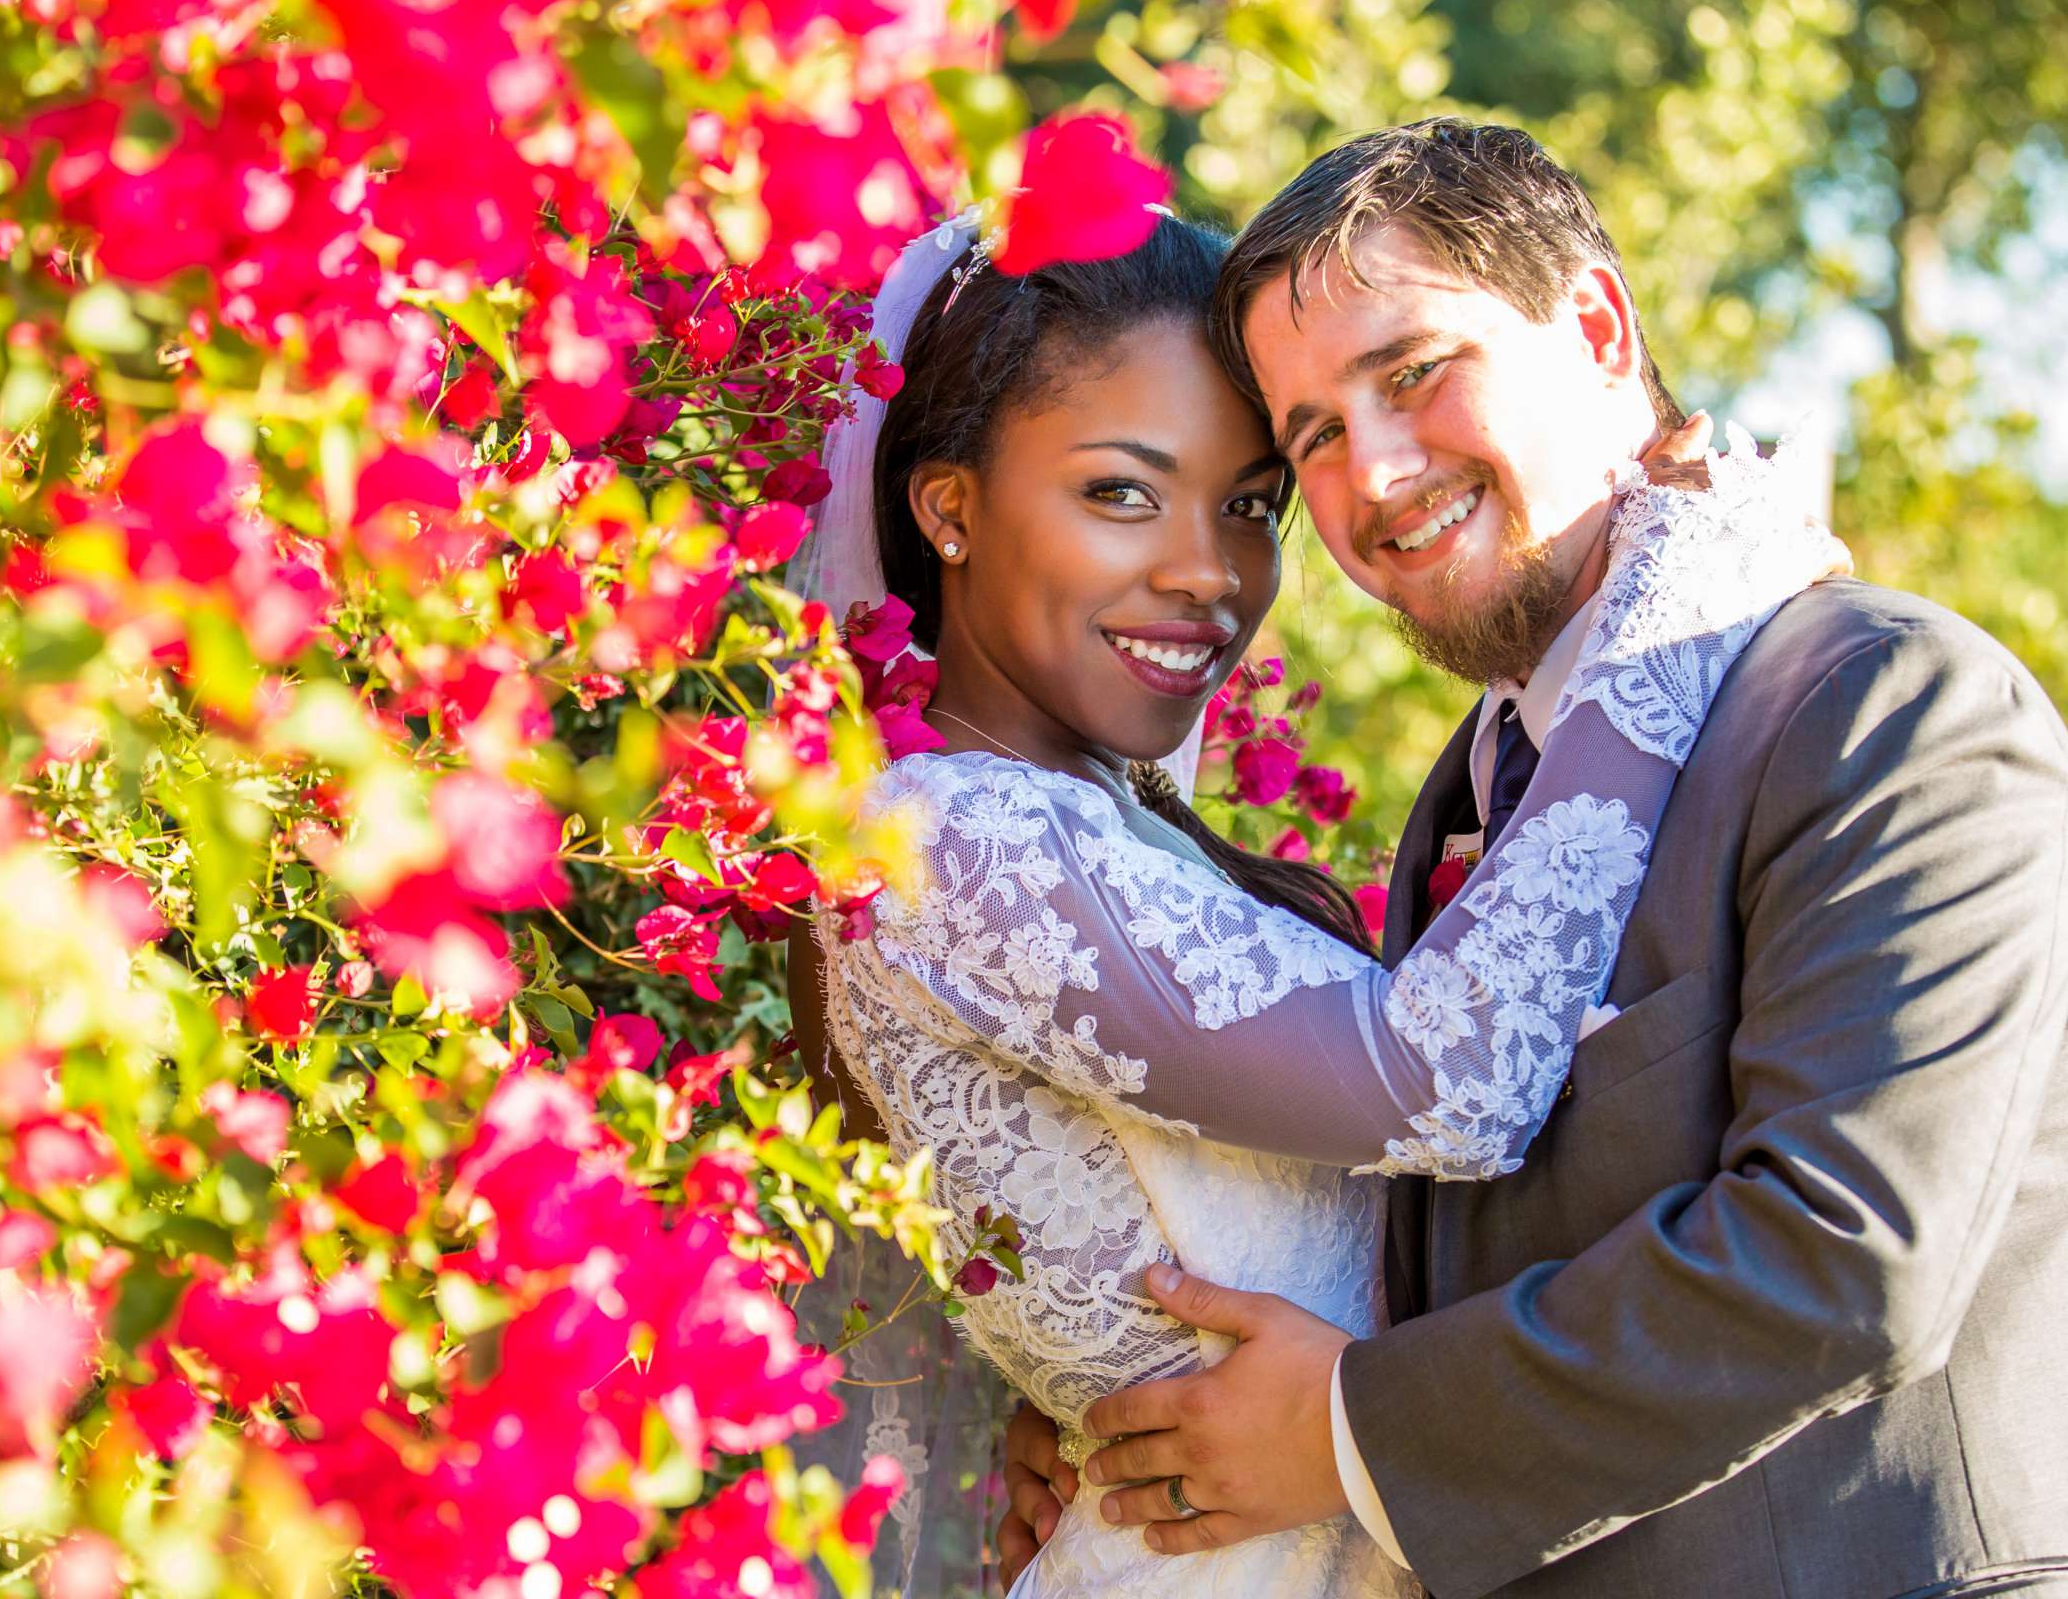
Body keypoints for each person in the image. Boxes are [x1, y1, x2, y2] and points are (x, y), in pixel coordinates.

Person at [998, 119, 2068, 1599]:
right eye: (1311, 437)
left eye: (1415, 373)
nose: (1371, 475)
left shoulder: (1882, 703)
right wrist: (1135, 1414)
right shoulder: (1473, 794)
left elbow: (1845, 1254)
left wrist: (1341, 1432)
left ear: (1599, 325)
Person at [785, 188, 1843, 1596]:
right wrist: (1680, 597)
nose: (1206, 571)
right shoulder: (947, 843)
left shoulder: (1086, 827)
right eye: (1121, 491)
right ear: (949, 505)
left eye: (1251, 504)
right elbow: (1455, 1078)